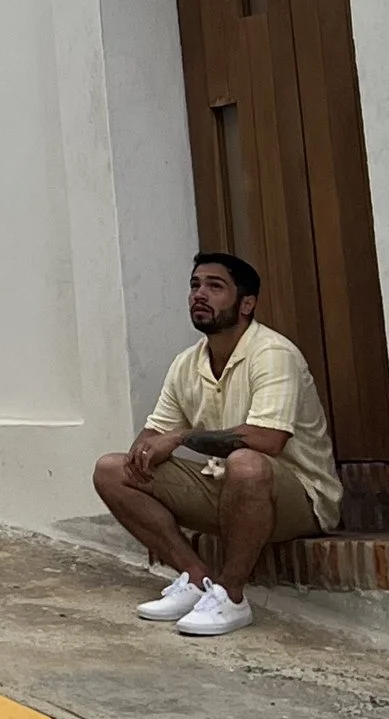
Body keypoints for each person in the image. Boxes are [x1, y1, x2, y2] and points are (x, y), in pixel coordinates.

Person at [92, 251, 340, 638]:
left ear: (246, 303)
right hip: (227, 489)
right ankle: (195, 579)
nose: (199, 295)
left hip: (298, 497)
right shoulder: (186, 363)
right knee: (113, 469)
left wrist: (181, 438)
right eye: (195, 286)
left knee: (247, 462)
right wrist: (147, 452)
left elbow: (268, 440)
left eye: (215, 286)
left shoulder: (273, 354)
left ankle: (232, 596)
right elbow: (149, 439)